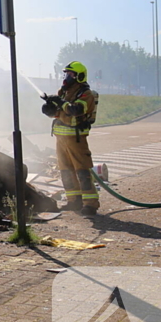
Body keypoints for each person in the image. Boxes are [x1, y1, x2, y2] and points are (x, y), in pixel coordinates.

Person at [42, 61, 99, 216]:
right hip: (61, 138)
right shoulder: (64, 92)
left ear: (79, 76)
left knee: (82, 171)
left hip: (76, 138)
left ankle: (90, 204)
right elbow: (57, 112)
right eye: (66, 74)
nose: (67, 77)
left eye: (71, 74)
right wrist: (49, 107)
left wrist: (60, 102)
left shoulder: (85, 94)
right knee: (65, 171)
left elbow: (76, 110)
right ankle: (73, 201)